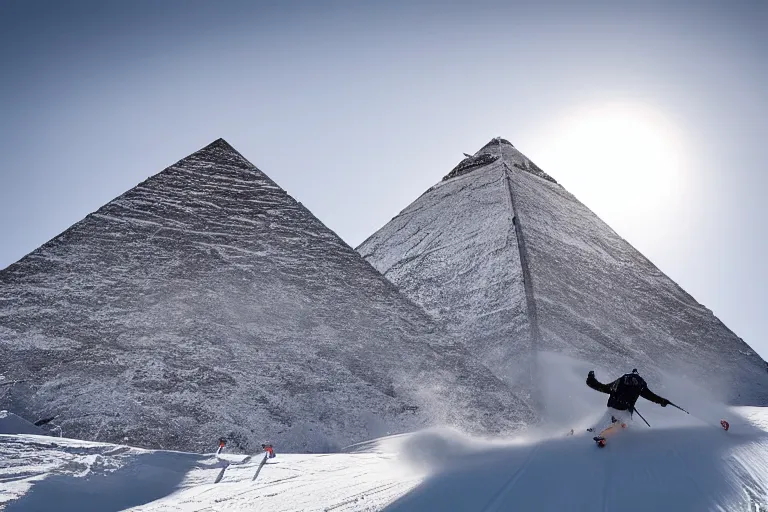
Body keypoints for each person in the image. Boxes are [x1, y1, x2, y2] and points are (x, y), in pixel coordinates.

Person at [586, 369, 670, 447]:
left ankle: (596, 428)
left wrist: (591, 380)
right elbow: (650, 396)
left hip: (612, 406)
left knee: (609, 416)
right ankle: (606, 434)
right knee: (622, 424)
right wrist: (662, 401)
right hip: (625, 410)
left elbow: (604, 388)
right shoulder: (640, 383)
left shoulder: (621, 380)